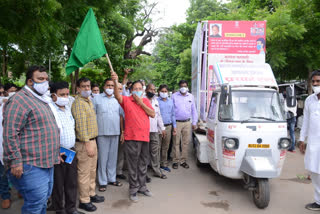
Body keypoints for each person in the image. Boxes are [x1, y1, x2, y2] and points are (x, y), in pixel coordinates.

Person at [3, 65, 60, 214]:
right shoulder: (19, 100)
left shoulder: (40, 99)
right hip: (31, 164)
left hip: (47, 161)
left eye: (46, 79)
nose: (45, 83)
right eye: (40, 79)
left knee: (42, 200)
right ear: (29, 81)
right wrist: (15, 161)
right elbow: (10, 133)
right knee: (35, 203)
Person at [111, 72, 155, 203]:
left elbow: (152, 114)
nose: (137, 91)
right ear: (130, 91)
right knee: (132, 165)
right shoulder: (126, 100)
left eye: (140, 89)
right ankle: (133, 189)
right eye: (135, 89)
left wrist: (141, 103)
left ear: (143, 90)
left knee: (143, 164)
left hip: (144, 137)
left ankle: (142, 187)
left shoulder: (146, 100)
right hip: (131, 138)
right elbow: (117, 95)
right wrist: (115, 81)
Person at [50, 82, 83, 214]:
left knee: (71, 182)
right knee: (58, 183)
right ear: (53, 96)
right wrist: (56, 151)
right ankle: (59, 209)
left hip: (70, 151)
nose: (65, 97)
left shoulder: (67, 108)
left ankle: (71, 208)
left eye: (67, 94)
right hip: (58, 152)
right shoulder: (50, 110)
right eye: (61, 94)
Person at [71, 77, 104, 212]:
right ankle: (84, 200)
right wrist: (87, 143)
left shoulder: (88, 101)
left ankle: (91, 193)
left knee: (92, 170)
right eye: (83, 86)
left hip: (92, 140)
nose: (86, 89)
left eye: (88, 86)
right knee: (84, 172)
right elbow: (80, 126)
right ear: (78, 89)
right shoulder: (78, 103)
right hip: (85, 142)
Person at [92, 78, 124, 192]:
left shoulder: (118, 99)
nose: (110, 88)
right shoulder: (97, 99)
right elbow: (93, 115)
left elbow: (121, 116)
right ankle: (102, 181)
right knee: (103, 158)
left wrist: (122, 132)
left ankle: (112, 178)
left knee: (112, 158)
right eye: (108, 85)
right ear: (103, 86)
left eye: (112, 86)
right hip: (102, 133)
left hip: (115, 132)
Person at [299, 70, 320, 211]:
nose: (315, 84)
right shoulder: (309, 100)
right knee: (314, 172)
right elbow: (305, 121)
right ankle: (318, 201)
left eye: (318, 81)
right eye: (313, 81)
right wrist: (301, 139)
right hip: (313, 143)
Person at [171, 80, 198, 169]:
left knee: (185, 143)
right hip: (177, 122)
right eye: (182, 86)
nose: (184, 88)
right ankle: (175, 160)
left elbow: (194, 110)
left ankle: (183, 160)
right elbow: (171, 111)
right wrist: (173, 124)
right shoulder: (174, 96)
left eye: (185, 86)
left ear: (187, 87)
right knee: (176, 142)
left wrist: (194, 122)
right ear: (179, 87)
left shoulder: (191, 96)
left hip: (187, 122)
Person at [145, 83, 167, 180]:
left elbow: (158, 116)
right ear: (146, 90)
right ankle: (143, 173)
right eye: (151, 89)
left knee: (155, 152)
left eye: (154, 90)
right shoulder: (142, 100)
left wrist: (162, 128)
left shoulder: (155, 101)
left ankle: (157, 171)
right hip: (144, 131)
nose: (153, 91)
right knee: (144, 153)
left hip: (154, 131)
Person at [157, 84, 177, 172]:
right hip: (158, 127)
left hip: (168, 126)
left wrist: (174, 127)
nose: (164, 93)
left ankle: (163, 163)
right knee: (157, 146)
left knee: (166, 146)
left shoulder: (170, 101)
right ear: (159, 92)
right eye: (162, 91)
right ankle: (156, 165)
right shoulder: (156, 101)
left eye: (165, 91)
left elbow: (173, 115)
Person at [0, 84, 11, 210]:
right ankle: (5, 196)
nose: (2, 96)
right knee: (2, 174)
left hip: (9, 145)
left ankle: (20, 190)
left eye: (3, 93)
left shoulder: (7, 107)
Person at [116, 82, 127, 180]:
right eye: (117, 88)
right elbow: (120, 117)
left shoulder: (125, 99)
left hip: (124, 128)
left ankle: (119, 170)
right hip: (115, 129)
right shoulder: (112, 100)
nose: (119, 90)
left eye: (121, 89)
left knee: (121, 151)